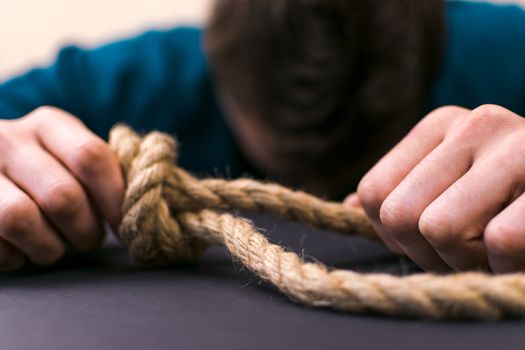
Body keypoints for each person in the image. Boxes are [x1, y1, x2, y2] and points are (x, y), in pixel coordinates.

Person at [0, 0, 524, 273]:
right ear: (214, 60)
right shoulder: (124, 82)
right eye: (289, 165)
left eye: (348, 166)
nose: (316, 191)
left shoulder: (507, 51)